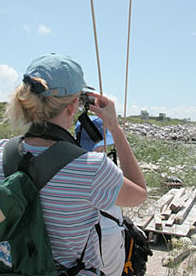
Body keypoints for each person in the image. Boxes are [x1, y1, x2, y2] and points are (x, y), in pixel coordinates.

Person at [0, 53, 147, 276]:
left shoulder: (0, 153)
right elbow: (140, 194)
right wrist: (114, 127)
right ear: (73, 106)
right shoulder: (92, 168)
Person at [75, 116, 125, 276]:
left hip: (82, 236)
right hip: (107, 233)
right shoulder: (101, 166)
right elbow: (139, 195)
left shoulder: (69, 161)